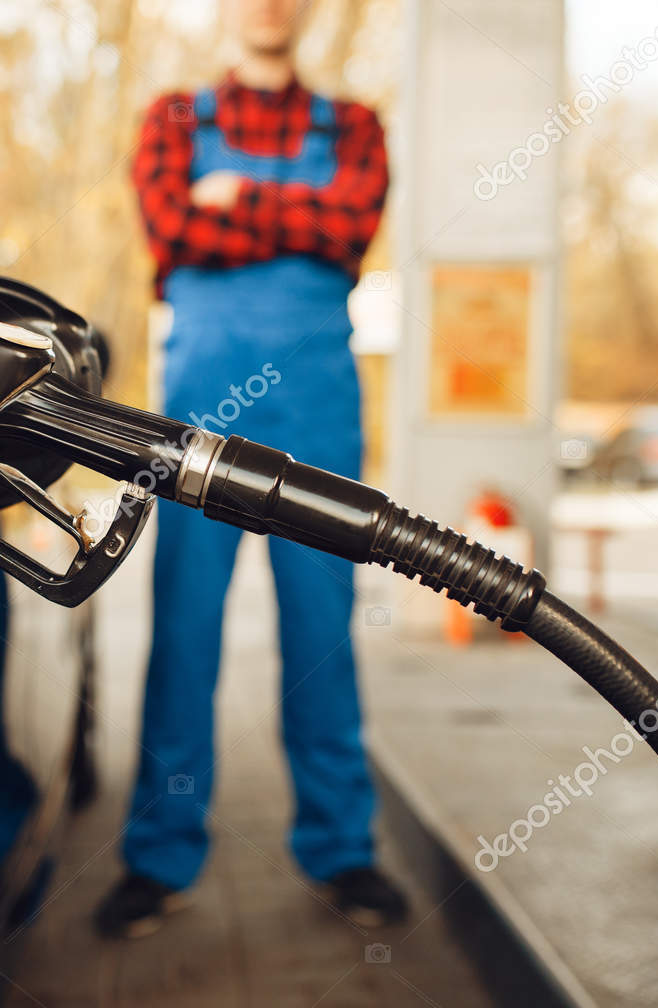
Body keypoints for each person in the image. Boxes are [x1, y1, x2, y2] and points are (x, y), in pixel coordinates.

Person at [95, 0, 406, 938]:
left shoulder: (354, 126)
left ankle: (342, 849)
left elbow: (351, 228)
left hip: (319, 410)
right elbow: (174, 232)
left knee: (322, 627)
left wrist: (238, 200)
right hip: (200, 413)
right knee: (184, 628)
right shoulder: (173, 122)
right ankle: (158, 855)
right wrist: (291, 221)